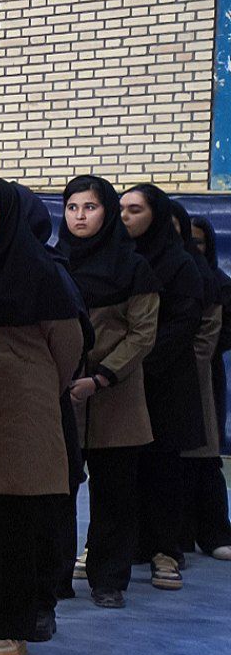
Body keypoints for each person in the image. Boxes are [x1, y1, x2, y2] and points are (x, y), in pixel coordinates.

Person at [0, 174, 85, 655]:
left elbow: (68, 347)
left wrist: (33, 385)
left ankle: (9, 626)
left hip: (22, 406)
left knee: (13, 520)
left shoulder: (40, 271)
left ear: (5, 218)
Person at [58, 176, 159, 608]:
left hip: (115, 396)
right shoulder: (54, 263)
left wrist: (100, 377)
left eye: (90, 207)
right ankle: (54, 578)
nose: (80, 216)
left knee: (114, 493)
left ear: (108, 212)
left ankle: (108, 579)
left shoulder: (134, 267)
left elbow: (143, 333)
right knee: (57, 493)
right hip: (63, 394)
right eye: (72, 207)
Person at [119, 184, 209, 592]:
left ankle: (166, 551)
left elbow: (181, 325)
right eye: (119, 209)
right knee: (120, 468)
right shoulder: (117, 260)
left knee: (163, 468)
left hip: (164, 381)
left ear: (155, 214)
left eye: (134, 210)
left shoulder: (180, 265)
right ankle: (124, 545)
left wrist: (137, 361)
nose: (124, 217)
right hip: (120, 382)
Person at [180, 214, 231, 560]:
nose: (194, 248)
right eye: (189, 241)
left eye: (200, 242)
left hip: (204, 374)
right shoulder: (169, 277)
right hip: (168, 375)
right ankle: (176, 536)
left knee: (205, 455)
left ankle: (215, 532)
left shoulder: (220, 285)